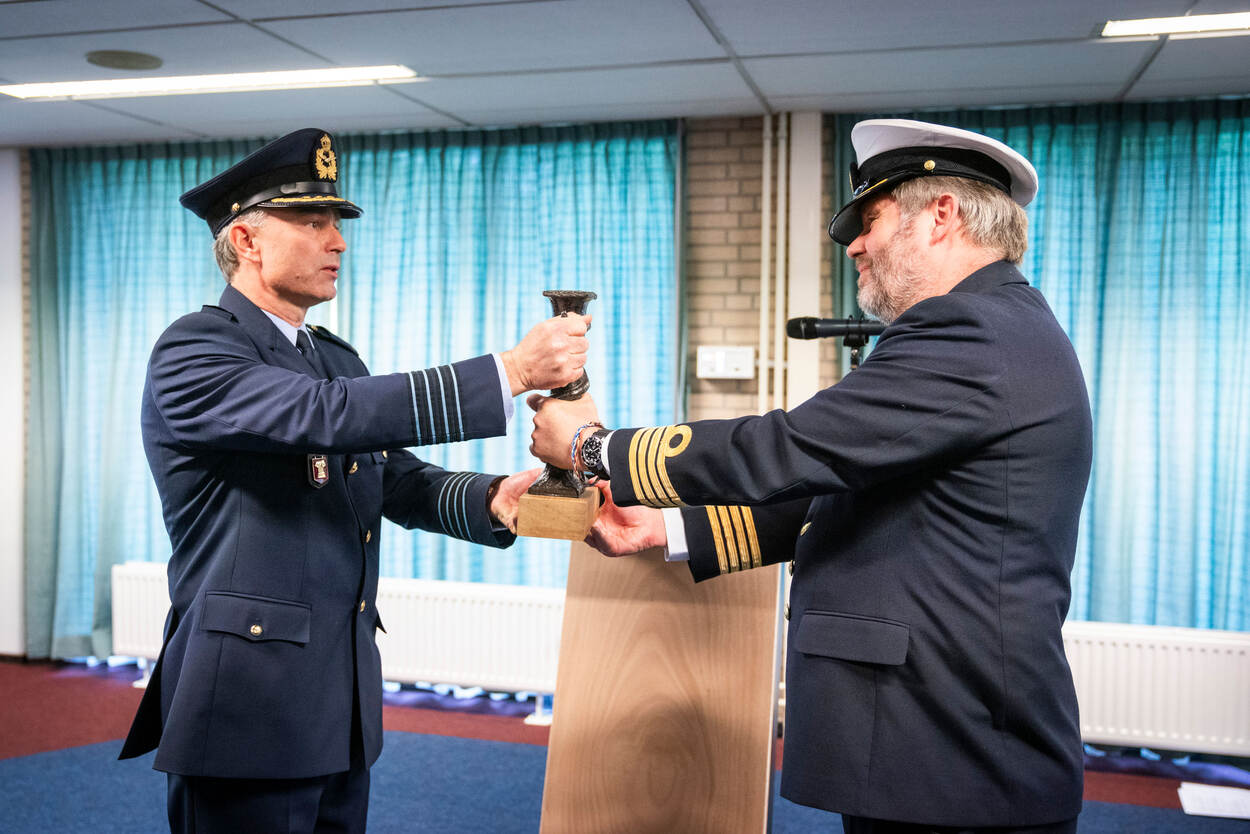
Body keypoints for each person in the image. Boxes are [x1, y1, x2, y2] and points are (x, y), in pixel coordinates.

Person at [529, 119, 1092, 833]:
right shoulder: (999, 324)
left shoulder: (971, 330)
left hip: (954, 749)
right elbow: (846, 496)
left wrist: (593, 449)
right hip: (942, 743)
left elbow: (788, 448)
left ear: (942, 215)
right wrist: (667, 529)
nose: (853, 244)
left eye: (870, 220)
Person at [119, 127, 588, 833]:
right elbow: (321, 416)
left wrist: (494, 499)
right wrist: (511, 372)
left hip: (338, 701)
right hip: (248, 703)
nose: (338, 241)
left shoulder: (333, 358)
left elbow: (391, 478)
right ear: (246, 240)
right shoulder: (197, 347)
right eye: (313, 223)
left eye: (336, 223)